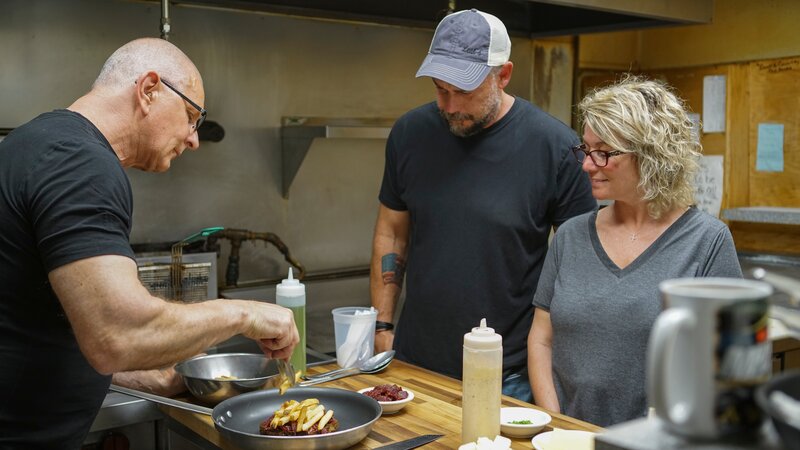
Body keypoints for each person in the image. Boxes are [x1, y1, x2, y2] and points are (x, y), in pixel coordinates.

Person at [0, 38, 299, 448]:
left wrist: (151, 375)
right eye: (192, 116)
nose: (193, 138)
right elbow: (115, 335)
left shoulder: (36, 143)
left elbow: (36, 324)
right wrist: (244, 314)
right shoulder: (80, 163)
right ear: (149, 90)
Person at [370, 9, 596, 402]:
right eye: (441, 89)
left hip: (508, 373)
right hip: (414, 363)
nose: (451, 105)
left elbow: (579, 268)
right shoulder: (410, 134)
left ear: (503, 74)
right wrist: (383, 327)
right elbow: (391, 233)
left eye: (465, 91)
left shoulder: (556, 148)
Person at [527, 75, 743, 426]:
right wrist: (556, 423)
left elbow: (730, 363)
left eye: (604, 152)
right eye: (585, 149)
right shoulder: (570, 236)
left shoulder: (707, 242)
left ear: (652, 156)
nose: (586, 164)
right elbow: (542, 339)